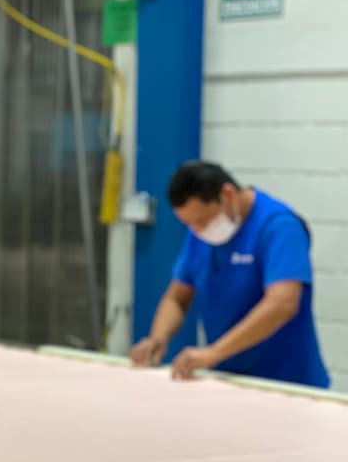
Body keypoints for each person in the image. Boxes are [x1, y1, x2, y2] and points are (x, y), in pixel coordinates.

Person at [130, 161, 329, 388]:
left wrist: (214, 352)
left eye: (202, 221)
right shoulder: (201, 232)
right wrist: (158, 338)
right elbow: (177, 296)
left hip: (285, 383)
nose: (196, 230)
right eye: (190, 224)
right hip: (227, 377)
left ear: (227, 194)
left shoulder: (279, 227)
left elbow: (282, 303)